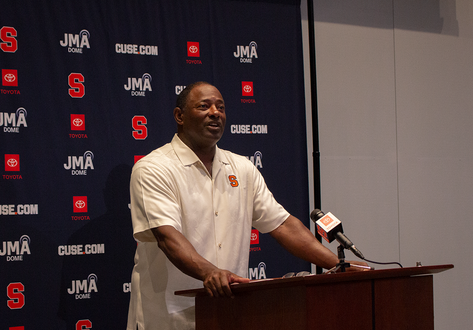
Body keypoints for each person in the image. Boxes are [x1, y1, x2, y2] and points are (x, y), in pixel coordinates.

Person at [126, 81, 363, 330]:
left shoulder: (242, 168)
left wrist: (339, 267)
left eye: (221, 107)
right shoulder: (154, 168)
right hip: (168, 318)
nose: (215, 113)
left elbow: (282, 225)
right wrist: (210, 272)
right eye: (204, 106)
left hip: (228, 309)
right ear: (180, 116)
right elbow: (167, 237)